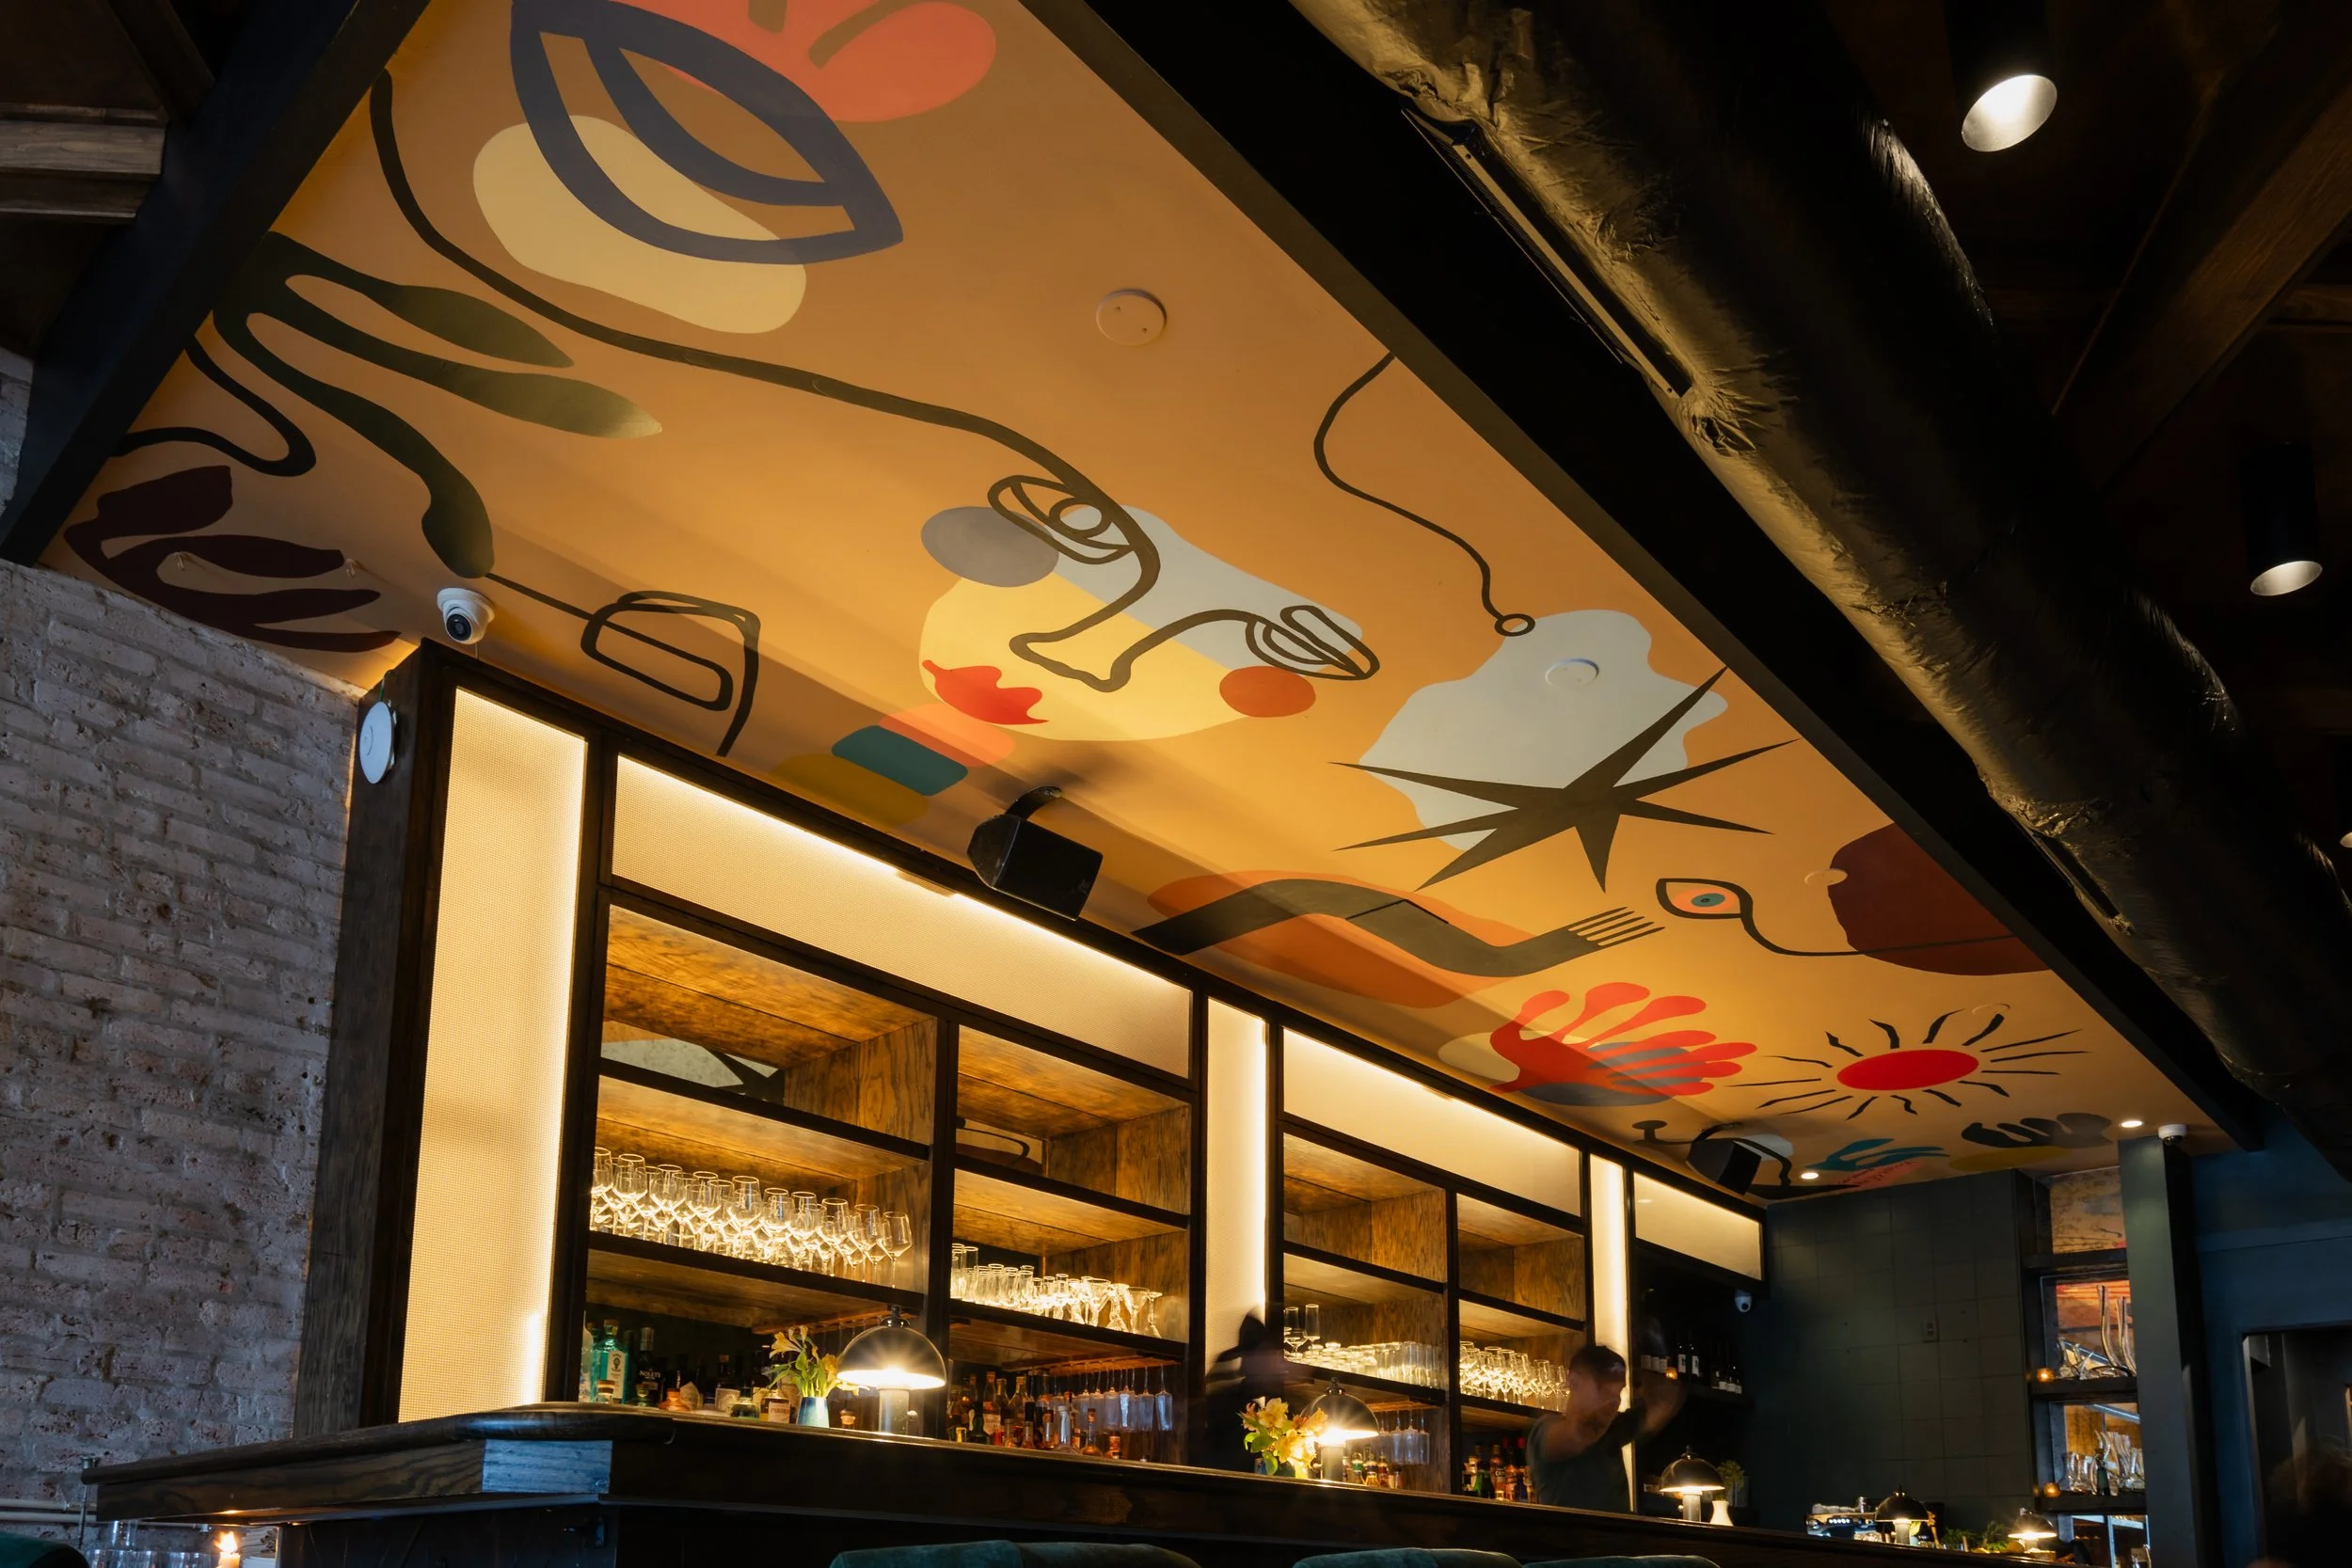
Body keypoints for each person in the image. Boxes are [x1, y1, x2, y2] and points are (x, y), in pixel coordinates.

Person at [1526, 1343, 1685, 1513]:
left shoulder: (1612, 1430)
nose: (1615, 1401)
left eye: (1618, 1392)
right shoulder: (1545, 1430)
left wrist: (1647, 1378)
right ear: (1574, 1382)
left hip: (1618, 1529)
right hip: (1571, 1529)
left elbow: (1665, 1400)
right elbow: (1577, 1438)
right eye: (1604, 1390)